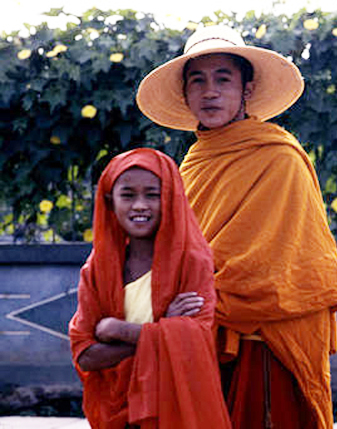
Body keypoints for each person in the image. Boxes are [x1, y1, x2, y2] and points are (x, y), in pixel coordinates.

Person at [136, 26, 337, 428]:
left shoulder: (280, 158)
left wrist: (203, 294)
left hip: (265, 344)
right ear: (185, 95)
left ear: (247, 89)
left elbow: (279, 262)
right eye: (197, 81)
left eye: (223, 78)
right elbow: (169, 252)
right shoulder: (189, 167)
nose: (210, 91)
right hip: (200, 342)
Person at [69, 148, 231, 429]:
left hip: (174, 405)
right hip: (115, 408)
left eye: (152, 195)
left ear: (170, 199)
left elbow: (199, 340)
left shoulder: (192, 261)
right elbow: (85, 355)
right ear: (110, 201)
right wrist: (161, 328)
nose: (140, 205)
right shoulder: (98, 268)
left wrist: (117, 331)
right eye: (128, 195)